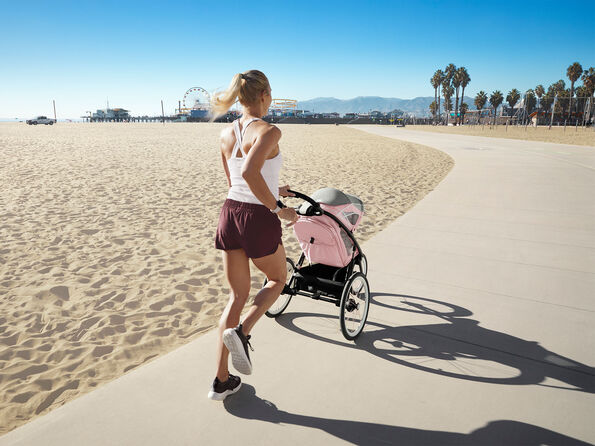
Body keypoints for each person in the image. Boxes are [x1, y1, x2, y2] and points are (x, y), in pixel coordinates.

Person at [207, 70, 299, 401]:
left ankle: (220, 382)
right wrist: (278, 208)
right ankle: (243, 332)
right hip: (258, 218)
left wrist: (277, 188)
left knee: (237, 297)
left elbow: (236, 181)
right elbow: (249, 172)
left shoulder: (225, 133)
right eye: (271, 94)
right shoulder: (270, 131)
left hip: (230, 214)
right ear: (264, 95)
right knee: (277, 278)